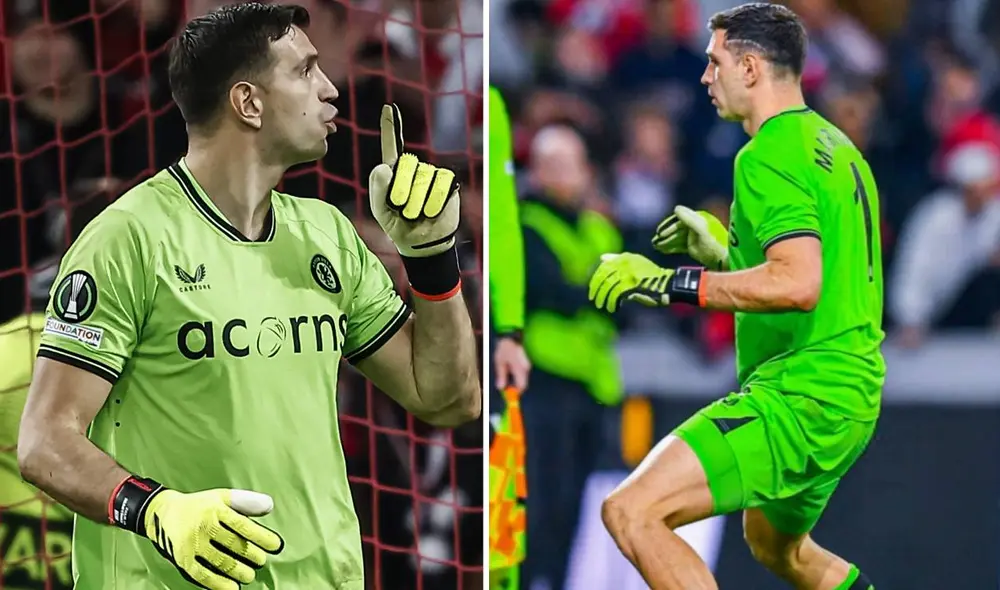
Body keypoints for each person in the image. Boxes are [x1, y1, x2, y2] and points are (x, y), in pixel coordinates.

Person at [16, 4, 481, 590]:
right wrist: (156, 509)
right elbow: (44, 442)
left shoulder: (327, 235)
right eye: (305, 71)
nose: (330, 89)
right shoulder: (128, 238)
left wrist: (432, 260)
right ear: (248, 103)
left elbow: (447, 400)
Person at [588, 4, 882, 590]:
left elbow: (797, 285)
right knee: (778, 547)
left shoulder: (767, 153)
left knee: (631, 511)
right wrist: (726, 254)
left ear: (749, 68)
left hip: (802, 395)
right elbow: (814, 277)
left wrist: (666, 281)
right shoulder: (835, 146)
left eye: (714, 62)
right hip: (850, 393)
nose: (705, 76)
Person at [487, 85, 530, 590]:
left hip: (487, 323)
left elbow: (501, 218)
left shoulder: (493, 102)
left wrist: (510, 330)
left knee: (501, 489)